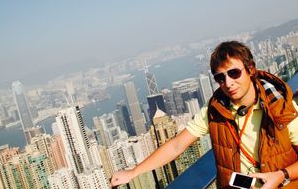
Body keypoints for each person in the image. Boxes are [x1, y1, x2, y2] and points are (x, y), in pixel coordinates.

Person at [111, 40, 298, 188]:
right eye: (220, 77)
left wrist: (281, 175)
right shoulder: (214, 111)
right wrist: (133, 172)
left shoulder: (281, 109)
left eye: (234, 73)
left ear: (250, 69)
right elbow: (176, 145)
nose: (228, 83)